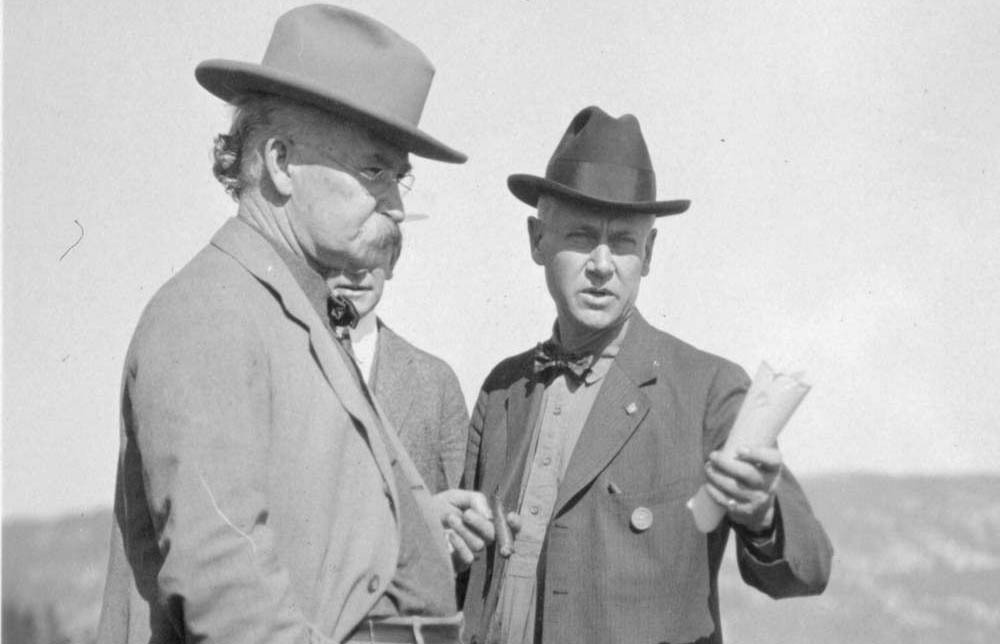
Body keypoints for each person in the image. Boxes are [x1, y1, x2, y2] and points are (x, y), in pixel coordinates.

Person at [97, 6, 493, 644]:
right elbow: (231, 598)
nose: (395, 203)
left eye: (400, 177)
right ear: (280, 162)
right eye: (373, 170)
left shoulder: (295, 304)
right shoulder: (209, 315)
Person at [460, 106, 833, 644]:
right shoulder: (503, 391)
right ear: (537, 240)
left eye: (626, 242)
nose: (603, 264)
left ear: (650, 253)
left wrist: (761, 514)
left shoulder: (709, 390)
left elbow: (809, 568)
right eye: (583, 237)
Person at [328, 228, 469, 493]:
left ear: (391, 261)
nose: (358, 269)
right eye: (342, 250)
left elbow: (459, 515)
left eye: (374, 249)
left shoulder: (436, 381)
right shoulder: (284, 358)